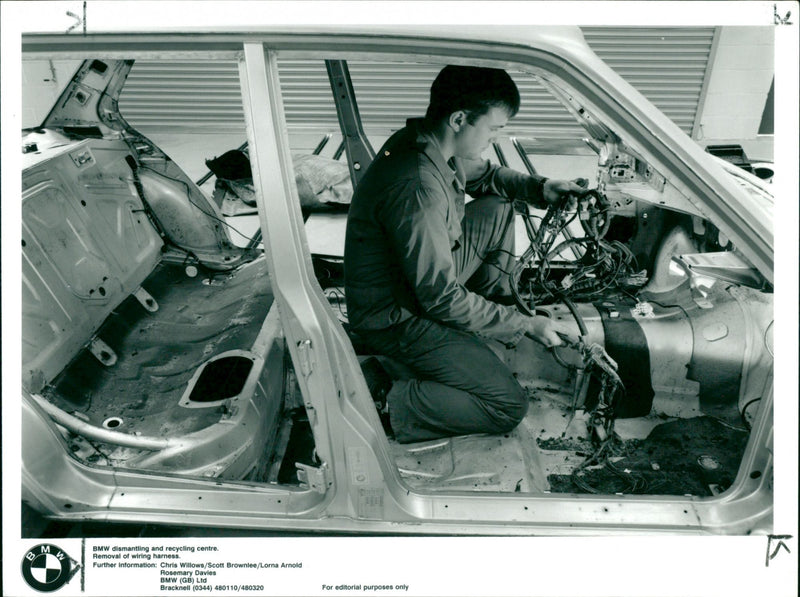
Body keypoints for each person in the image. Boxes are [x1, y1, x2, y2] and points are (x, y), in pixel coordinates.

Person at [344, 65, 582, 443]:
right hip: (396, 318)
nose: (494, 138)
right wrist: (524, 324)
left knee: (499, 205)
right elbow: (439, 298)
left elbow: (485, 175)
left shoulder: (431, 143)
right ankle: (384, 400)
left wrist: (540, 188)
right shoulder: (418, 186)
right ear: (459, 118)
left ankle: (485, 315)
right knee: (506, 406)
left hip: (416, 288)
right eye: (494, 129)